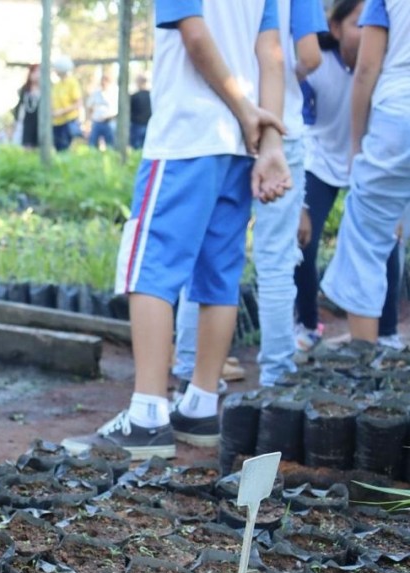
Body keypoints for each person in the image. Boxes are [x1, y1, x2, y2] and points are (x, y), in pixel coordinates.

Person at [63, 0, 291, 457]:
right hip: (238, 144)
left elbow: (194, 34)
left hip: (188, 133)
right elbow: (270, 54)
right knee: (219, 274)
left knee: (151, 265)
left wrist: (248, 113)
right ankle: (201, 405)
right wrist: (269, 140)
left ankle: (147, 415)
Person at [173, 0, 326, 392]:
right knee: (275, 260)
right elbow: (308, 53)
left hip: (225, 123)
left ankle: (189, 364)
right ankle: (277, 374)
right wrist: (292, 81)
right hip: (280, 126)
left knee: (209, 255)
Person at [300, 0, 405, 350]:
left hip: (392, 130)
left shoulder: (386, 10)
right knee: (313, 240)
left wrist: (357, 145)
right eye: (353, 24)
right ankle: (313, 324)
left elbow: (367, 69)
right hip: (323, 160)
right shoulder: (322, 66)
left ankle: (371, 346)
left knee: (372, 237)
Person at [51, 57, 83, 151]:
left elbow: (78, 103)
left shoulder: (72, 83)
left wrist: (61, 112)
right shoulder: (57, 85)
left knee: (66, 148)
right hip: (57, 122)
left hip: (69, 121)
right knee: (58, 148)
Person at [87, 73, 118, 150]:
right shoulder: (96, 93)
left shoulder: (114, 93)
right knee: (92, 144)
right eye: (102, 81)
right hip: (97, 121)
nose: (103, 83)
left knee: (111, 145)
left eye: (106, 81)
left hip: (109, 122)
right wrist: (91, 118)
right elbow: (89, 106)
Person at [14, 64, 41, 148]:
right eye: (34, 72)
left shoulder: (45, 89)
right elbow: (20, 106)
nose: (36, 74)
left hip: (40, 122)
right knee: (27, 146)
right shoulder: (25, 90)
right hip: (27, 123)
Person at [130, 74, 152, 150]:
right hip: (149, 125)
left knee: (136, 148)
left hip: (137, 126)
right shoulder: (152, 95)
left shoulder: (134, 96)